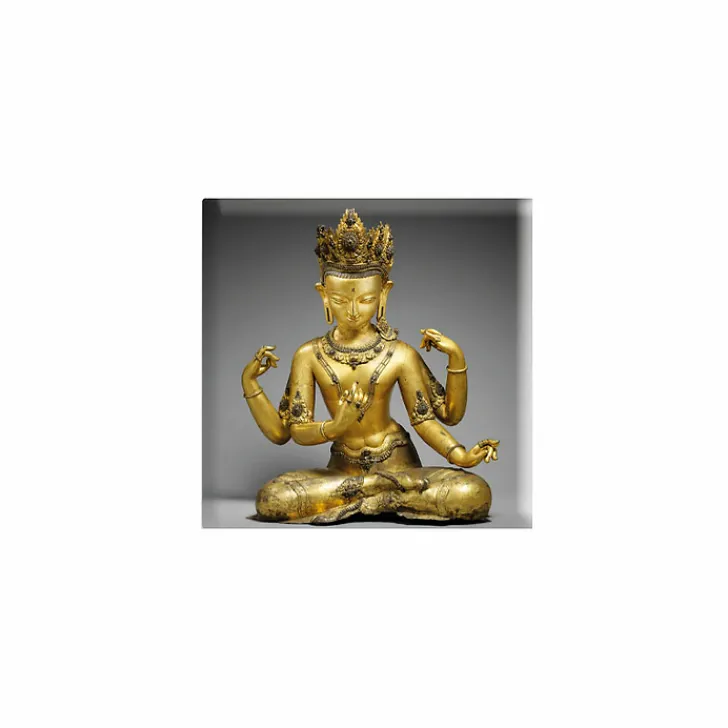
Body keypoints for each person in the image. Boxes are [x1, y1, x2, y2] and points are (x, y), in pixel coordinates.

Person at [241, 209, 499, 524]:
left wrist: (460, 454)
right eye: (340, 300)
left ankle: (366, 492)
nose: (352, 311)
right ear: (324, 296)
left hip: (399, 467)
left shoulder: (399, 354)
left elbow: (428, 421)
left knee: (472, 492)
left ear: (383, 294)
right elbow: (292, 432)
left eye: (365, 300)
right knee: (273, 498)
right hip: (342, 471)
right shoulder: (309, 355)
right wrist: (334, 426)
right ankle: (377, 491)